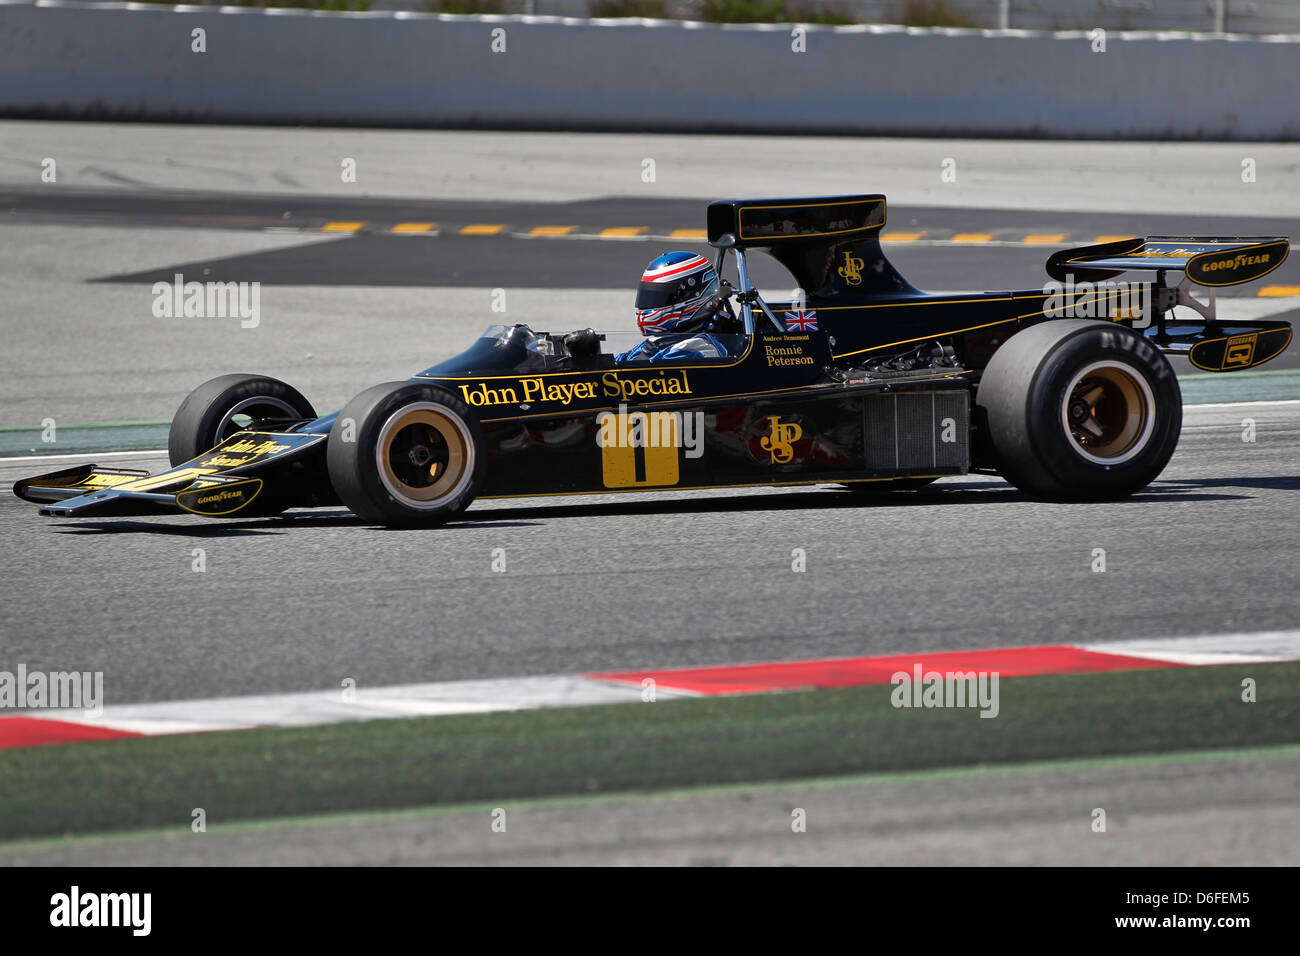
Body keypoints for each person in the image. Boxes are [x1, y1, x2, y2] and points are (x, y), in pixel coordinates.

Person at [616, 251, 742, 363]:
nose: (650, 304)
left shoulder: (699, 349)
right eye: (649, 296)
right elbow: (620, 363)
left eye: (659, 297)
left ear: (694, 297)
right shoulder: (658, 342)